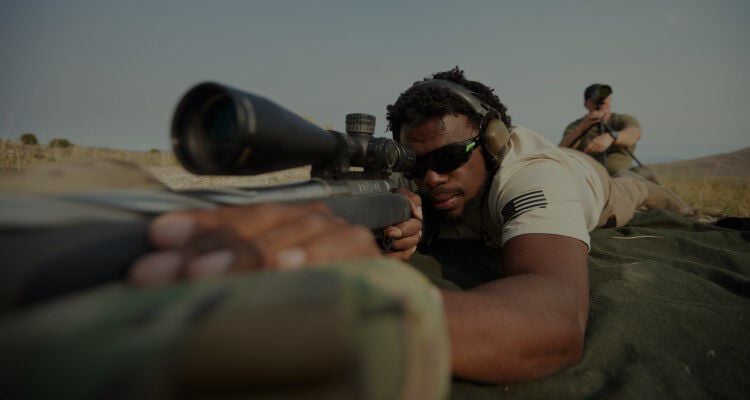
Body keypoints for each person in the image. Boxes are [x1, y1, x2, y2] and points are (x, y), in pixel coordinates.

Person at [128, 67, 689, 384]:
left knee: (647, 193)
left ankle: (671, 194)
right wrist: (408, 226)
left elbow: (554, 323)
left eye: (448, 159)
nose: (432, 177)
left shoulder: (536, 177)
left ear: (491, 143)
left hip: (599, 182)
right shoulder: (425, 175)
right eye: (416, 164)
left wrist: (361, 304)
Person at [559, 84, 642, 176]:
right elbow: (562, 151)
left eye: (605, 99)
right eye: (596, 100)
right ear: (586, 103)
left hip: (621, 176)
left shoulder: (621, 120)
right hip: (589, 176)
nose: (602, 103)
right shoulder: (576, 126)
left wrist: (611, 137)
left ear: (610, 101)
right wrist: (582, 128)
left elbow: (634, 134)